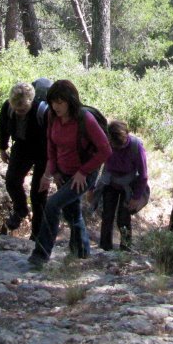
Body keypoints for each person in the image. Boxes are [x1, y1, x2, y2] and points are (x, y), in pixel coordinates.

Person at [28, 80, 111, 269]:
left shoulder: (85, 119)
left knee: (53, 204)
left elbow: (105, 150)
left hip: (84, 173)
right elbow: (51, 146)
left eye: (60, 102)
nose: (56, 106)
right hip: (63, 172)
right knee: (72, 213)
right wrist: (51, 172)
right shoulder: (51, 116)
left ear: (70, 101)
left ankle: (40, 255)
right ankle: (82, 252)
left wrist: (84, 171)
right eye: (53, 102)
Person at [0, 81, 49, 238]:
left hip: (43, 151)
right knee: (12, 181)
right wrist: (2, 147)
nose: (19, 112)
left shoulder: (43, 112)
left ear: (31, 102)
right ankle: (20, 209)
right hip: (21, 145)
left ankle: (37, 235)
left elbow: (53, 140)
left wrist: (48, 173)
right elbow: (3, 126)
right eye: (17, 109)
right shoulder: (8, 107)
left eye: (23, 109)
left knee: (38, 194)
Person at [96, 120, 149, 251]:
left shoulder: (136, 146)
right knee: (107, 216)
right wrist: (92, 189)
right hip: (110, 183)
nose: (115, 147)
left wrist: (136, 198)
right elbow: (96, 164)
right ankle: (104, 248)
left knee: (123, 219)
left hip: (129, 185)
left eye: (118, 145)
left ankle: (126, 248)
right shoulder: (106, 142)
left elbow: (143, 175)